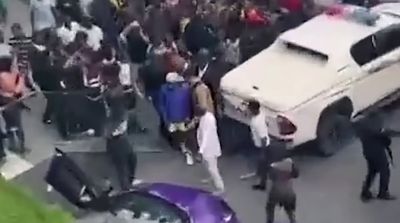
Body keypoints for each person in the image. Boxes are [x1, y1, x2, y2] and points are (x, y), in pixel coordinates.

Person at [102, 63, 142, 190]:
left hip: (116, 134)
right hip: (116, 135)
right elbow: (116, 116)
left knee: (127, 160)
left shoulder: (112, 91)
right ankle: (126, 188)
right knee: (124, 163)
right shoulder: (114, 96)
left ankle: (123, 183)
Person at [356, 112, 400, 201]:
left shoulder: (363, 127)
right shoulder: (376, 127)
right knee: (385, 171)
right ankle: (383, 193)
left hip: (367, 152)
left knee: (372, 172)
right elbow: (386, 135)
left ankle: (365, 191)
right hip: (377, 153)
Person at [160, 72, 194, 165]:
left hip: (179, 117)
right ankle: (180, 145)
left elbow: (187, 104)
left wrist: (187, 116)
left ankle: (182, 146)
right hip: (175, 117)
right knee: (176, 132)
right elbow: (163, 105)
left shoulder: (183, 89)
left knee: (181, 132)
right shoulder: (166, 89)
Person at [0, 57, 29, 154]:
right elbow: (17, 89)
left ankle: (12, 144)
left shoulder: (2, 75)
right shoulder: (10, 75)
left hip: (3, 100)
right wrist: (21, 77)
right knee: (18, 125)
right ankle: (21, 147)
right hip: (13, 101)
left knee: (9, 124)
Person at [195, 105, 224, 195]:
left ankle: (220, 188)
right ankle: (211, 178)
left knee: (213, 168)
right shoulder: (204, 117)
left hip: (209, 149)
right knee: (206, 164)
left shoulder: (209, 119)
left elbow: (206, 137)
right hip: (205, 148)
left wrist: (201, 151)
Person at [247, 100, 270, 190]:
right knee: (262, 165)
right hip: (260, 144)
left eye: (250, 109)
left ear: (254, 109)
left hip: (262, 146)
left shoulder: (258, 123)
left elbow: (263, 138)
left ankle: (262, 184)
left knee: (263, 164)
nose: (248, 110)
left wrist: (262, 153)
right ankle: (261, 177)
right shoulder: (261, 114)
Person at [267, 157, 299, 223]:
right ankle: (293, 221)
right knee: (289, 209)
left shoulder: (277, 168)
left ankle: (270, 221)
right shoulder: (292, 171)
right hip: (288, 192)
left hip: (276, 191)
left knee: (270, 207)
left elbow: (271, 176)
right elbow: (296, 174)